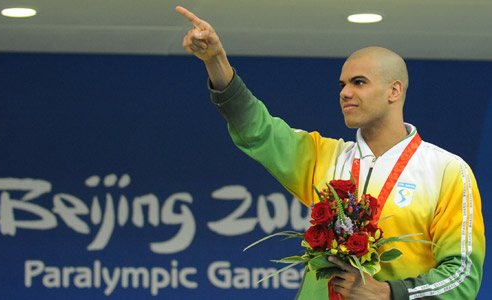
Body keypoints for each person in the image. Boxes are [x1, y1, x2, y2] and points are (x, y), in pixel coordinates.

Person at [175, 6, 485, 300]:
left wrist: (390, 292)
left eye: (359, 82)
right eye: (342, 84)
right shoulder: (326, 158)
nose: (344, 92)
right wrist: (216, 61)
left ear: (395, 91)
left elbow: (463, 273)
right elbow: (258, 129)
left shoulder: (445, 170)